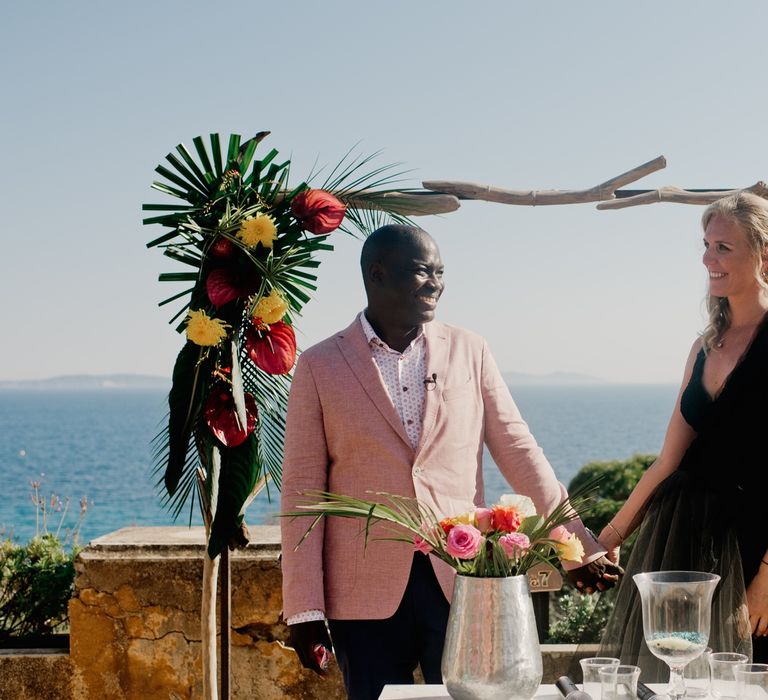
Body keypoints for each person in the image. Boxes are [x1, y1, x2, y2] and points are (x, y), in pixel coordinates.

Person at [280, 224, 621, 700]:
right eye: (423, 271)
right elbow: (301, 493)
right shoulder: (319, 365)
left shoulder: (470, 349)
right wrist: (304, 609)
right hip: (362, 594)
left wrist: (578, 545)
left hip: (465, 582)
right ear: (376, 275)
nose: (436, 283)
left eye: (440, 272)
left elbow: (520, 452)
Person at [596, 191, 768, 675]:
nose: (708, 258)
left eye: (723, 248)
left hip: (756, 543)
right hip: (686, 541)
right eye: (707, 245)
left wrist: (767, 580)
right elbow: (667, 461)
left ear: (764, 254)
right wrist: (607, 537)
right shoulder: (703, 345)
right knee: (680, 678)